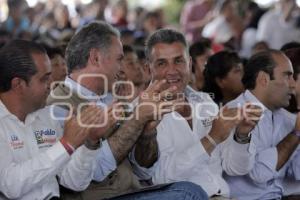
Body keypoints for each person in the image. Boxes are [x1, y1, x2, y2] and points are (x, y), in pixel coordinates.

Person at [47, 21, 208, 200]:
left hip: (133, 192)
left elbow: (144, 172)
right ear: (95, 58)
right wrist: (138, 118)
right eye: (119, 59)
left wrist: (148, 132)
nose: (121, 68)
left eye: (179, 61)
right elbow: (96, 171)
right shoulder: (59, 106)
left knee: (191, 190)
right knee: (189, 193)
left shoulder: (111, 98)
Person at [143, 28, 261, 199]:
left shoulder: (204, 101)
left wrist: (242, 135)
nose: (172, 70)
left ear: (189, 64)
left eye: (178, 61)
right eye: (162, 63)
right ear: (148, 69)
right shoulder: (142, 112)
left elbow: (235, 168)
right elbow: (159, 177)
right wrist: (211, 139)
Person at [0, 40, 106, 199]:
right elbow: (11, 185)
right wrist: (65, 145)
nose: (51, 84)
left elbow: (74, 182)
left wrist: (90, 143)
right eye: (44, 79)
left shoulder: (47, 115)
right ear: (18, 84)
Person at [224, 50, 300, 199]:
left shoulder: (287, 118)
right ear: (264, 79)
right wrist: (296, 134)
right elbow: (259, 174)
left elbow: (296, 171)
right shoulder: (233, 114)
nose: (293, 85)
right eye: (287, 76)